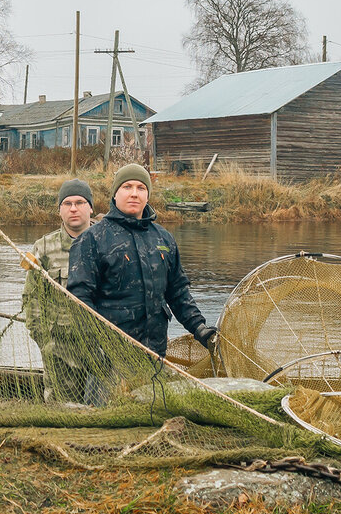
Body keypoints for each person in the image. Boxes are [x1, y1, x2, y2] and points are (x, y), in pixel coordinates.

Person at [67, 164, 218, 358]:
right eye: (127, 187)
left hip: (155, 353)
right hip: (110, 356)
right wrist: (96, 345)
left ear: (147, 195)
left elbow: (178, 292)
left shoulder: (164, 239)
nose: (134, 194)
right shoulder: (92, 239)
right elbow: (80, 299)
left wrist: (199, 327)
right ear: (115, 194)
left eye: (141, 188)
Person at [22, 179, 94, 401]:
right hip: (60, 348)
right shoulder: (43, 247)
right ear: (59, 211)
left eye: (80, 202)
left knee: (102, 407)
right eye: (67, 203)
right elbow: (31, 299)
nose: (74, 208)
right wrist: (46, 342)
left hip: (99, 347)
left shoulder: (106, 242)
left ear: (91, 208)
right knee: (61, 408)